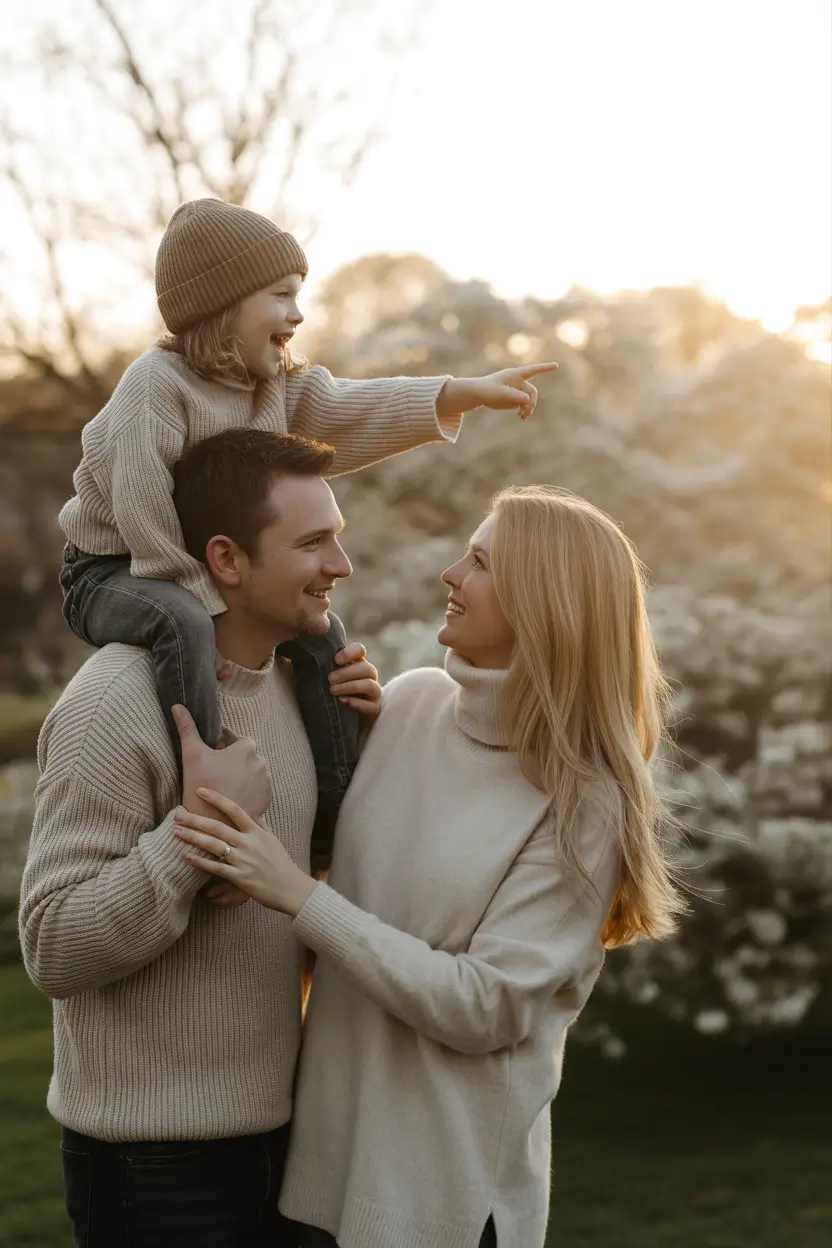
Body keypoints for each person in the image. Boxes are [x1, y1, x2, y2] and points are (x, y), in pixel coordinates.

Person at [173, 484, 687, 1248]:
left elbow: (484, 1009)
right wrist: (328, 734)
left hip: (438, 1206)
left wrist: (296, 895)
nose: (451, 574)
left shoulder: (585, 803)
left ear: (544, 603)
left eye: (479, 562)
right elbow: (362, 876)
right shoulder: (409, 705)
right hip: (315, 1177)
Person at [58, 195, 558, 851]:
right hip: (117, 568)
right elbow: (141, 502)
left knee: (327, 643)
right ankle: (210, 796)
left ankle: (329, 827)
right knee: (181, 624)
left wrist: (458, 391)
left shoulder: (274, 387)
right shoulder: (155, 387)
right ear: (223, 303)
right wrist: (204, 602)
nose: (297, 313)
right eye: (281, 295)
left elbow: (348, 409)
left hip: (205, 567)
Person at [19, 430, 383, 1248]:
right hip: (155, 1170)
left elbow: (308, 884)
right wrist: (196, 839)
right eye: (312, 543)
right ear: (226, 559)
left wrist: (367, 745)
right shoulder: (113, 703)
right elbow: (50, 946)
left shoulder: (304, 691)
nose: (341, 566)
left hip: (289, 1140)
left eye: (339, 538)